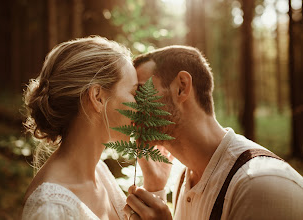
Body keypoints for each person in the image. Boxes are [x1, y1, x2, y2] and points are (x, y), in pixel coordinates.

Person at [124, 45, 303, 220]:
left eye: (139, 92)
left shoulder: (260, 185)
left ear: (181, 87)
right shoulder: (183, 178)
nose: (128, 107)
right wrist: (155, 189)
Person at [21, 36, 171, 220]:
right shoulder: (50, 210)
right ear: (98, 97)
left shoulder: (99, 172)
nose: (140, 104)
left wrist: (155, 187)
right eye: (133, 92)